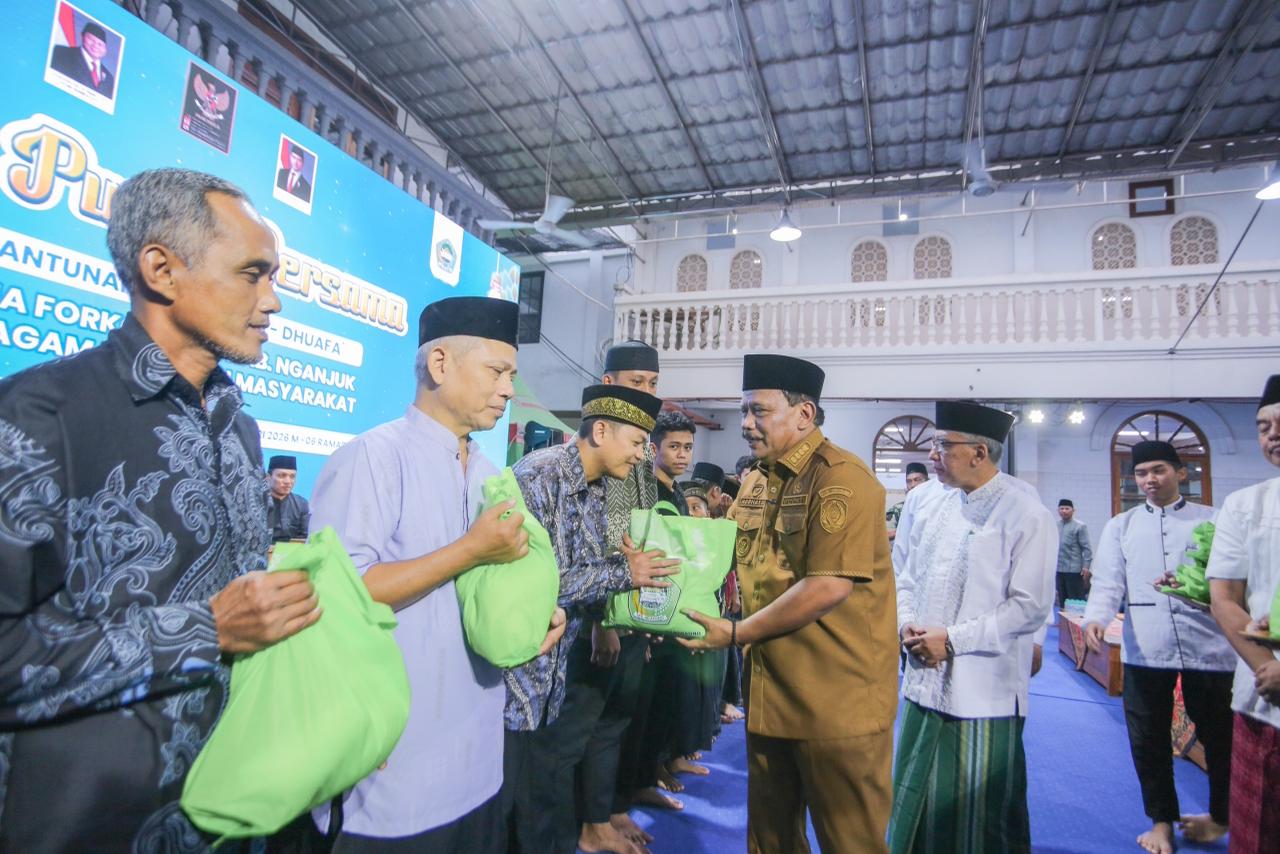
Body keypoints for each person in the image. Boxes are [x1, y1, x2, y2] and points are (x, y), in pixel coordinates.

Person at [0, 168, 320, 851]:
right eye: (253, 273)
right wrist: (203, 630)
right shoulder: (39, 414)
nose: (274, 302)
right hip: (86, 827)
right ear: (161, 269)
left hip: (235, 816)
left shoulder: (241, 429)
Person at [307, 295, 561, 852]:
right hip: (392, 770)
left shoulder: (492, 474)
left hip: (475, 757)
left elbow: (495, 583)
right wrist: (470, 550)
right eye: (497, 371)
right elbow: (342, 594)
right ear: (441, 364)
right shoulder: (372, 457)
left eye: (511, 375)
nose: (508, 390)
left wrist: (538, 612)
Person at [681, 354, 899, 854]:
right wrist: (658, 585)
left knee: (851, 843)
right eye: (744, 412)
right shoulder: (757, 479)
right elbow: (719, 553)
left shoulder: (841, 479)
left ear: (804, 414)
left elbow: (827, 587)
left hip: (836, 706)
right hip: (771, 696)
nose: (747, 425)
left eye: (759, 411)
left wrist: (735, 634)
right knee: (770, 841)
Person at [504, 384, 676, 853]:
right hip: (523, 670)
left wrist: (619, 578)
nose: (643, 456)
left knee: (550, 783)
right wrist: (625, 573)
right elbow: (539, 584)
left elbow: (582, 573)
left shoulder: (597, 488)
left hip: (560, 669)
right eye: (638, 443)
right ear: (600, 430)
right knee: (522, 799)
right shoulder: (539, 478)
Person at [890, 401, 1057, 854]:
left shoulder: (1026, 512)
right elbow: (903, 573)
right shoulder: (928, 502)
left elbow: (1030, 606)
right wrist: (906, 623)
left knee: (977, 817)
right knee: (912, 796)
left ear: (979, 453)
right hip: (922, 678)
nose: (932, 454)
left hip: (984, 689)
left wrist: (954, 641)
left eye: (943, 445)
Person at [1083, 440, 1233, 853]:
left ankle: (1221, 817)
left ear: (1181, 473)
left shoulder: (1215, 520)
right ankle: (1161, 822)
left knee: (1222, 738)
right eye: (1142, 472)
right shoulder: (1122, 525)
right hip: (1145, 646)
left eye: (1159, 471)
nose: (1150, 480)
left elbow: (1229, 582)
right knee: (1147, 738)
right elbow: (1109, 580)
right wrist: (1096, 616)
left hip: (1212, 647)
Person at [552, 340, 663, 854]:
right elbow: (591, 545)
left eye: (652, 384)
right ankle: (585, 825)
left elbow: (640, 532)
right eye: (636, 383)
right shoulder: (585, 456)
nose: (645, 392)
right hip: (596, 613)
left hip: (632, 603)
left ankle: (606, 812)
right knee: (583, 722)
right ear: (609, 381)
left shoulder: (640, 449)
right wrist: (604, 620)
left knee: (616, 717)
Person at [1207, 374, 1280, 854]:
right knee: (1259, 837)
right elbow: (1225, 598)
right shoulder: (1246, 504)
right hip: (1264, 698)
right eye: (1263, 426)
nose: (1272, 435)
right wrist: (1266, 668)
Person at [50, 20, 116, 97]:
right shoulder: (61, 53)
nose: (95, 46)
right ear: (82, 37)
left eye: (100, 44)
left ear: (105, 50)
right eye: (91, 39)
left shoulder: (109, 78)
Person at [651, 410, 695, 512]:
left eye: (688, 447)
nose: (682, 455)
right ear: (653, 450)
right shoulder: (648, 494)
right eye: (674, 446)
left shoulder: (678, 493)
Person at [1056, 498, 1093, 607]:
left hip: (1074, 571)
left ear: (1073, 510)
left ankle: (1078, 623)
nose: (1064, 511)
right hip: (1059, 570)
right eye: (1061, 508)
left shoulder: (1080, 526)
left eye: (1067, 508)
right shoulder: (1055, 525)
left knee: (1075, 602)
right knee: (1062, 601)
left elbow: (1087, 548)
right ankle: (1063, 623)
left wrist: (1086, 567)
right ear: (1058, 510)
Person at [266, 454, 310, 541]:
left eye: (292, 476)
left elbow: (305, 537)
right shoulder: (257, 503)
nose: (288, 481)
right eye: (282, 476)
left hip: (293, 553)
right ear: (268, 477)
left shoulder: (302, 504)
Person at [886, 462, 929, 542]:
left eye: (917, 480)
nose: (913, 485)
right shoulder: (897, 510)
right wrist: (905, 531)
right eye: (909, 481)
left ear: (927, 482)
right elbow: (885, 535)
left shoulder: (937, 505)